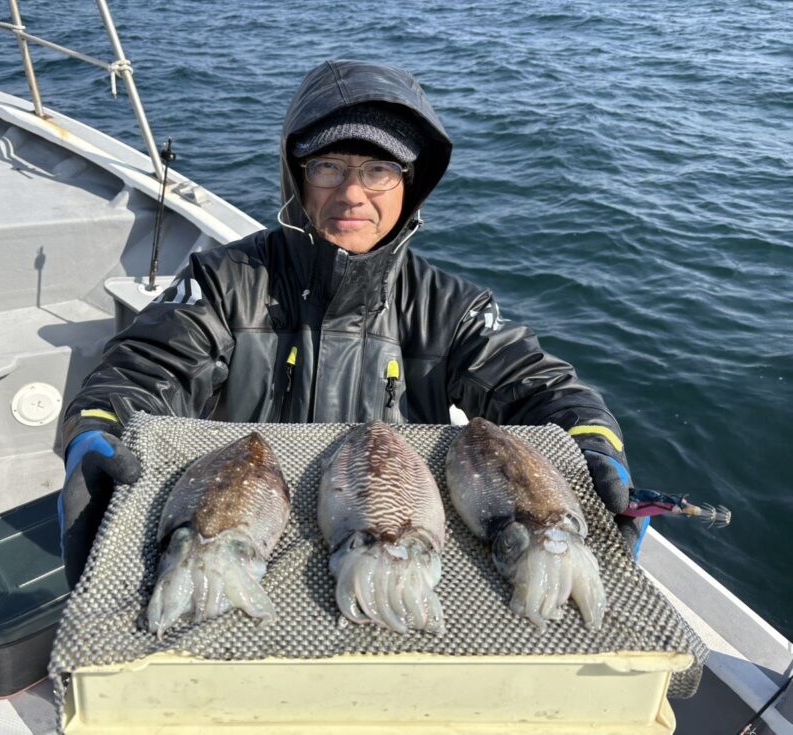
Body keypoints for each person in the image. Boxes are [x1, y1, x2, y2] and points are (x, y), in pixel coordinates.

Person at [58, 60, 638, 586]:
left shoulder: (452, 307)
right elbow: (142, 371)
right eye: (328, 166)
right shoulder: (222, 282)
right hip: (243, 527)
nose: (352, 193)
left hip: (400, 546)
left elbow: (541, 388)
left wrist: (593, 446)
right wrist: (97, 430)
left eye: (379, 169)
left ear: (411, 184)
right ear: (297, 176)